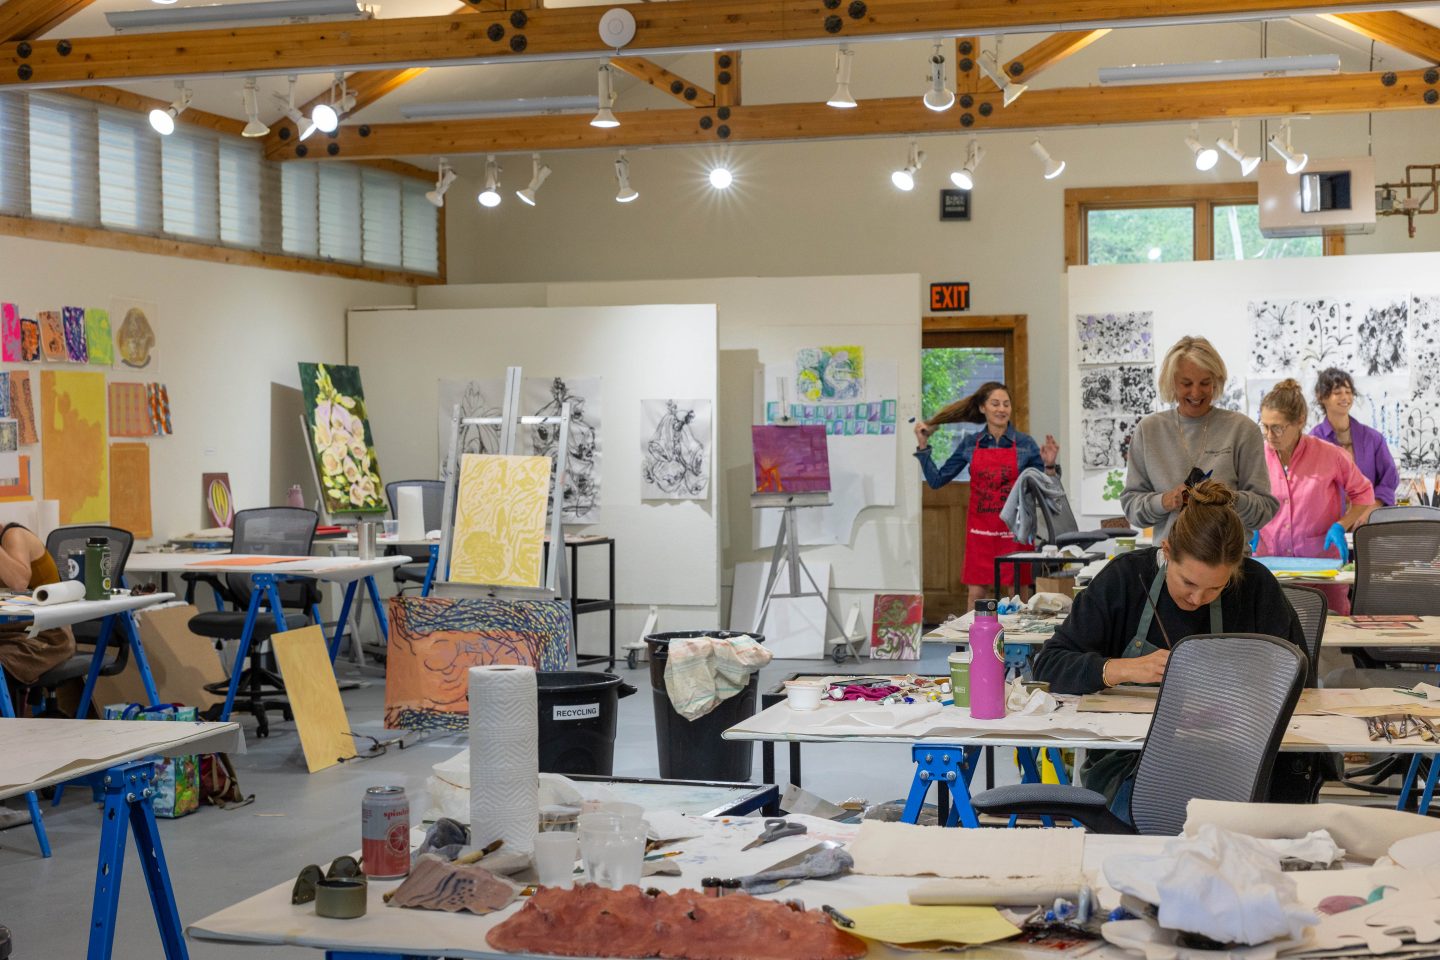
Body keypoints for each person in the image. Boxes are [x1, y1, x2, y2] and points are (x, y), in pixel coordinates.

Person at [1031, 480, 1305, 815]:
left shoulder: (1256, 586)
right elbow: (1049, 665)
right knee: (1155, 814)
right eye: (1188, 582)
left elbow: (1296, 674)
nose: (1197, 599)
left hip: (1236, 753)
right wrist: (1121, 669)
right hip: (1134, 755)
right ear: (1166, 550)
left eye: (1215, 588)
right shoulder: (1125, 580)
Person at [1122, 336, 1276, 541]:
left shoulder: (1242, 430)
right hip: (1170, 562)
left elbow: (1264, 510)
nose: (1196, 393)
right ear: (1172, 384)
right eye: (1186, 383)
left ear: (1216, 381)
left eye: (1205, 383)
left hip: (1229, 564)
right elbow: (1132, 507)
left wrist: (1227, 498)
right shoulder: (1149, 431)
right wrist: (1166, 501)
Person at [914, 381, 1058, 600]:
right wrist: (923, 446)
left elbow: (1046, 489)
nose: (1001, 409)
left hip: (1015, 530)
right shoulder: (971, 444)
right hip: (980, 532)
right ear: (983, 408)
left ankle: (1019, 636)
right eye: (995, 403)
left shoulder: (1025, 443)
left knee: (1017, 592)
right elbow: (936, 480)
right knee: (976, 594)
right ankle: (975, 635)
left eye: (1006, 404)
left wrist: (1049, 465)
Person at [1257, 379, 1376, 614]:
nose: (1270, 435)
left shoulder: (1331, 455)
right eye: (1265, 426)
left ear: (1299, 421)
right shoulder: (1257, 456)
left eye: (1278, 427)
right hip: (1270, 566)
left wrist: (1341, 525)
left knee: (1327, 639)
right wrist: (1249, 527)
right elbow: (1243, 496)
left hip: (1321, 569)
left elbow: (1364, 494)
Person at [0, 523, 73, 707]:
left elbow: (18, 582)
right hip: (10, 632)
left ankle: (9, 731)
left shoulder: (14, 535)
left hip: (47, 636)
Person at [1310, 367, 1399, 506]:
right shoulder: (1313, 441)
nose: (1345, 397)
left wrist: (1372, 507)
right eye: (1337, 393)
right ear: (1321, 397)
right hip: (1329, 523)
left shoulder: (1373, 439)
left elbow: (1389, 479)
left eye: (1348, 392)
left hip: (1368, 520)